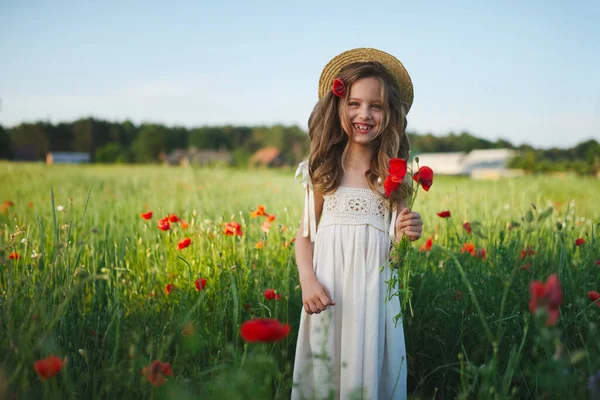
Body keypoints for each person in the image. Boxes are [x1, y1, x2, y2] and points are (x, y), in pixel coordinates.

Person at [291, 48, 424, 400]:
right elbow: (304, 238)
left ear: (389, 114)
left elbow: (396, 257)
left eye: (375, 106)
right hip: (329, 295)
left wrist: (406, 232)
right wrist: (308, 281)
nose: (364, 114)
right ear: (339, 107)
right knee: (327, 374)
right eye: (354, 103)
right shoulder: (323, 171)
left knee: (367, 378)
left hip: (373, 299)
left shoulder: (393, 180)